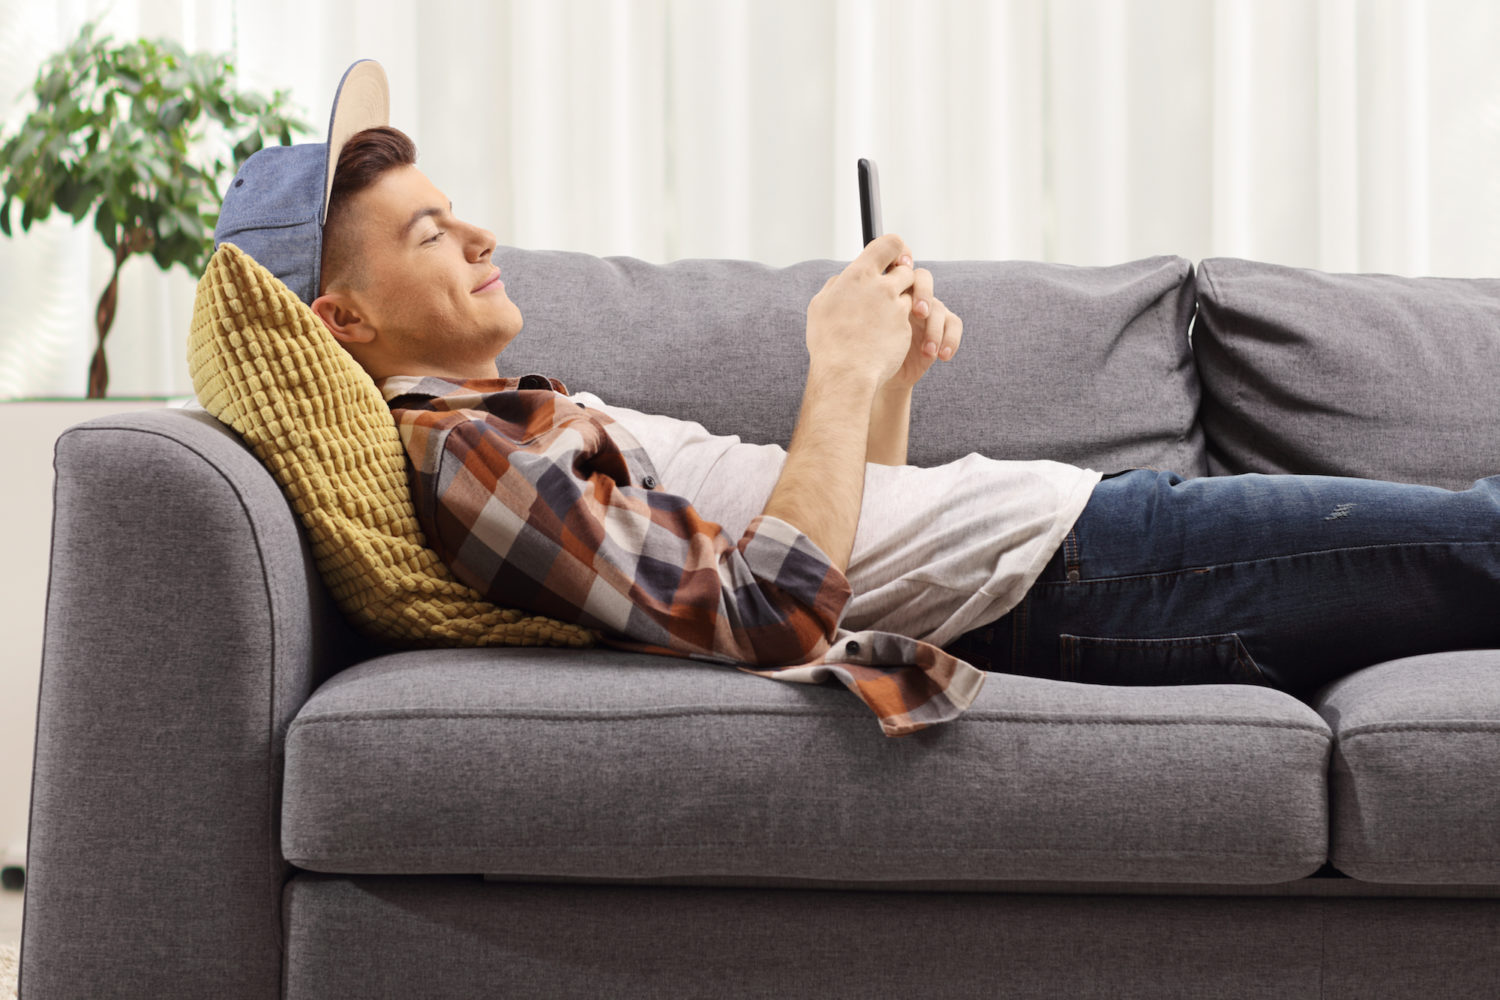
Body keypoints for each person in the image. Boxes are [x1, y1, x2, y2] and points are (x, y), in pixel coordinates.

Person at [213, 61, 1500, 737]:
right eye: (431, 232)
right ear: (343, 322)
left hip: (1080, 548)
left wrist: (884, 382)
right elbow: (773, 616)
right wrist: (829, 367)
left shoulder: (522, 421)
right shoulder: (466, 459)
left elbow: (835, 542)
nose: (480, 231)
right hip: (1085, 571)